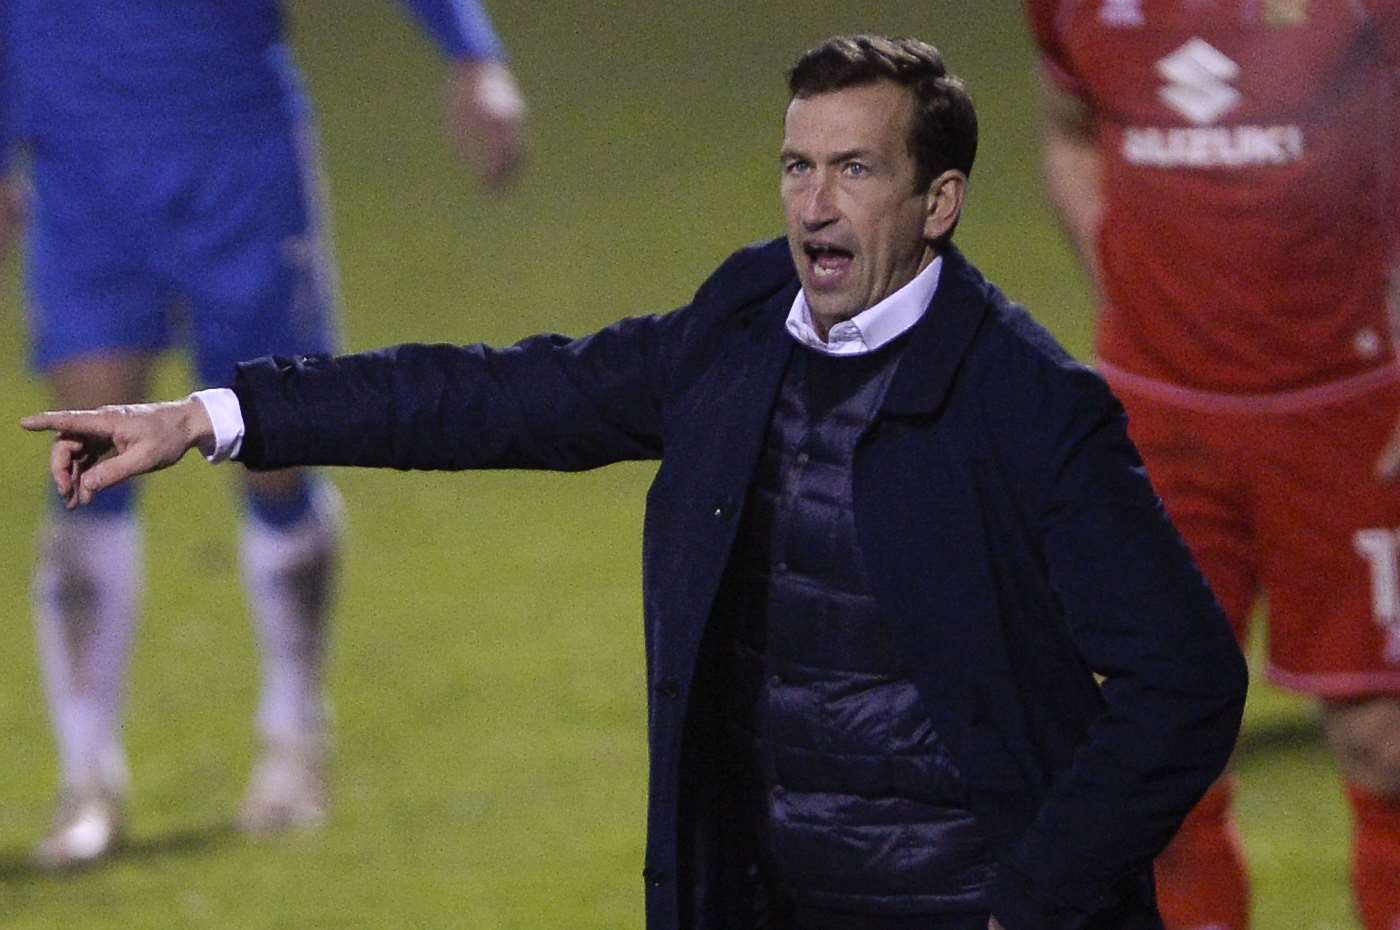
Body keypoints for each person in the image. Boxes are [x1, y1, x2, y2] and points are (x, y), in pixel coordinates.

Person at [22, 35, 1246, 930]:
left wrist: (1028, 902)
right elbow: (500, 396)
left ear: (938, 202)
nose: (812, 207)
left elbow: (1183, 682)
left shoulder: (1026, 406)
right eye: (795, 167)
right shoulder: (740, 325)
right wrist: (214, 415)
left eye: (854, 171)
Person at [2, 0, 528, 869]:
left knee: (274, 449)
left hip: (237, 161)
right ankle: (85, 780)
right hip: (80, 169)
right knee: (85, 463)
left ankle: (292, 735)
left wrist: (472, 55)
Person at [1024, 3, 1400, 929]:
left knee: (1386, 746)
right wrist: (1120, 293)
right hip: (1160, 423)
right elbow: (1070, 130)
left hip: (1351, 415)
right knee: (1148, 752)